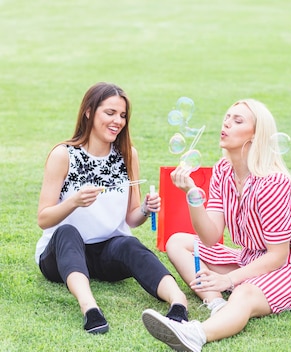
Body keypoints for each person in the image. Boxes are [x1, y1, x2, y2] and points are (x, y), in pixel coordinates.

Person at [141, 99, 291, 351]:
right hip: (250, 258)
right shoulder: (223, 171)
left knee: (244, 292)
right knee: (177, 242)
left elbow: (277, 256)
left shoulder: (273, 183)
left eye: (238, 121)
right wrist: (192, 193)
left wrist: (229, 280)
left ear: (256, 136)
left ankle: (196, 334)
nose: (226, 124)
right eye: (227, 118)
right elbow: (210, 236)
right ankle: (217, 305)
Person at [35, 82, 189, 334]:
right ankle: (90, 309)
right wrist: (74, 201)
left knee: (129, 243)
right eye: (110, 113)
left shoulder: (128, 155)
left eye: (123, 115)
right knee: (67, 231)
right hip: (61, 255)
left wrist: (146, 209)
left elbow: (131, 217)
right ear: (88, 112)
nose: (118, 120)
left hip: (107, 253)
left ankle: (178, 303)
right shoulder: (64, 155)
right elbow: (44, 219)